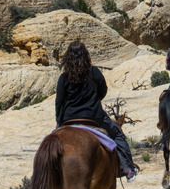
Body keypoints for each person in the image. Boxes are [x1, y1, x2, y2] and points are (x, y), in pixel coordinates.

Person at [55, 40, 140, 181]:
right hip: (94, 117)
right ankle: (127, 168)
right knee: (117, 134)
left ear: (67, 58)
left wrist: (59, 121)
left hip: (69, 119)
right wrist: (93, 101)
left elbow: (59, 102)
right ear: (86, 56)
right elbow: (103, 90)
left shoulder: (64, 78)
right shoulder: (94, 72)